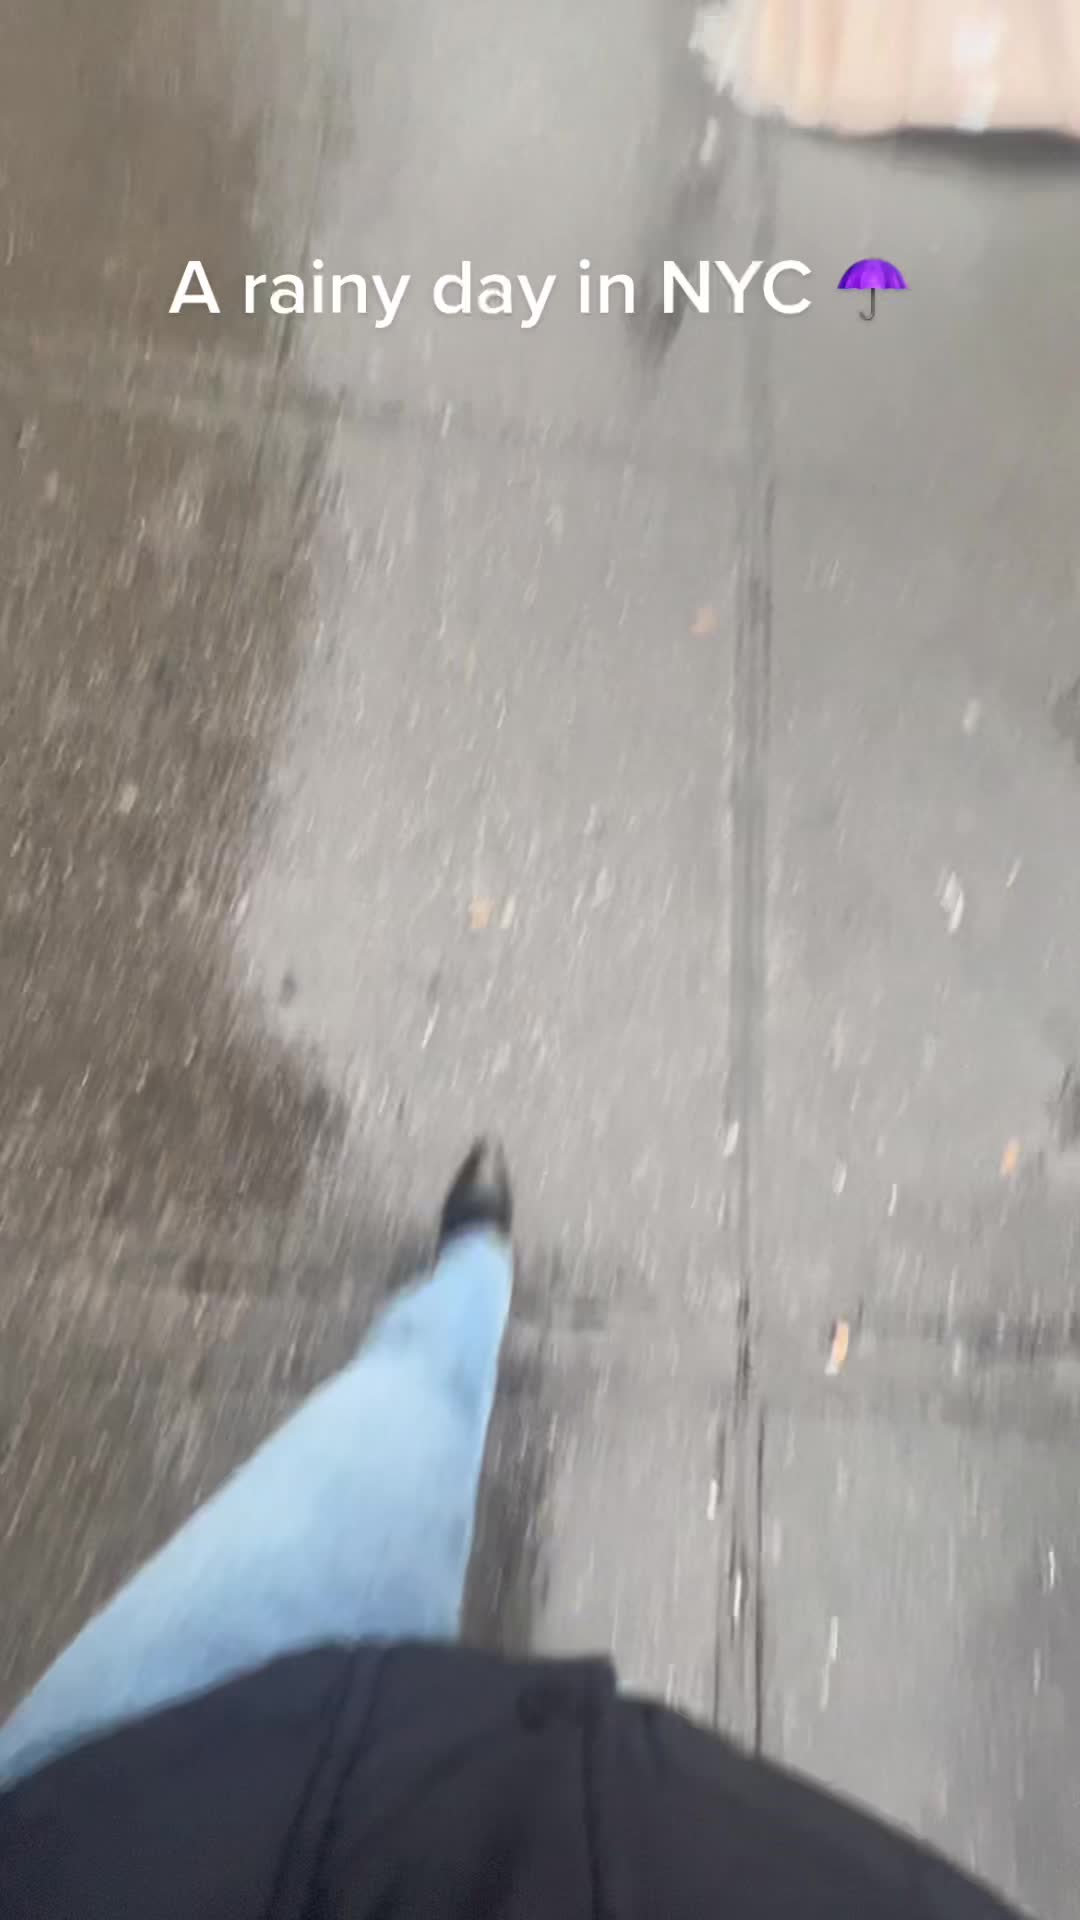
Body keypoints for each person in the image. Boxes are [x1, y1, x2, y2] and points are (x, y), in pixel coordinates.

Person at [0, 1142, 1021, 1917]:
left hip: (136, 1797)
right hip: (342, 1781)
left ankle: (471, 1274)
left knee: (396, 1420)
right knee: (401, 1416)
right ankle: (471, 1274)